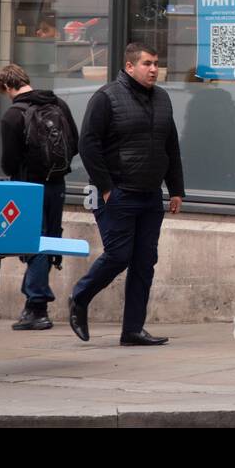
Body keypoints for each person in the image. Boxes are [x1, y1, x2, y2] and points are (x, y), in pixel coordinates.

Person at [69, 43, 183, 346]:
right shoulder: (106, 97)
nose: (154, 69)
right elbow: (88, 145)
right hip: (117, 193)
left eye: (156, 63)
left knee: (145, 261)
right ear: (130, 67)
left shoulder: (162, 99)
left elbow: (170, 145)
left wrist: (176, 189)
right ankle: (80, 296)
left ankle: (133, 330)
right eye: (147, 63)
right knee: (119, 255)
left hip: (150, 194)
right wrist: (106, 188)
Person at [0, 63, 79, 330]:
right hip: (57, 182)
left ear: (7, 86)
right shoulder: (59, 104)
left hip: (28, 185)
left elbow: (9, 162)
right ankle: (33, 302)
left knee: (34, 241)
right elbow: (74, 143)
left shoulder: (12, 115)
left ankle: (37, 307)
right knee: (48, 240)